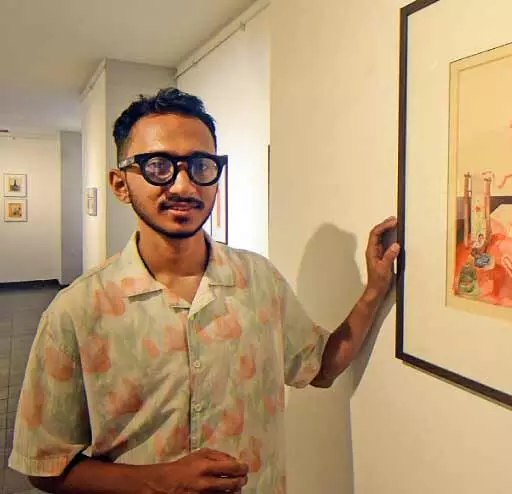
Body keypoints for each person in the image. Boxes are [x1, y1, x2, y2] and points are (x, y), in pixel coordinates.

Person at [8, 88, 399, 494]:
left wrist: (374, 290)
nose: (183, 185)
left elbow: (321, 367)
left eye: (200, 166)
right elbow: (45, 464)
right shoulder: (78, 310)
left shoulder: (259, 280)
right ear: (120, 184)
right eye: (158, 166)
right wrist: (156, 482)